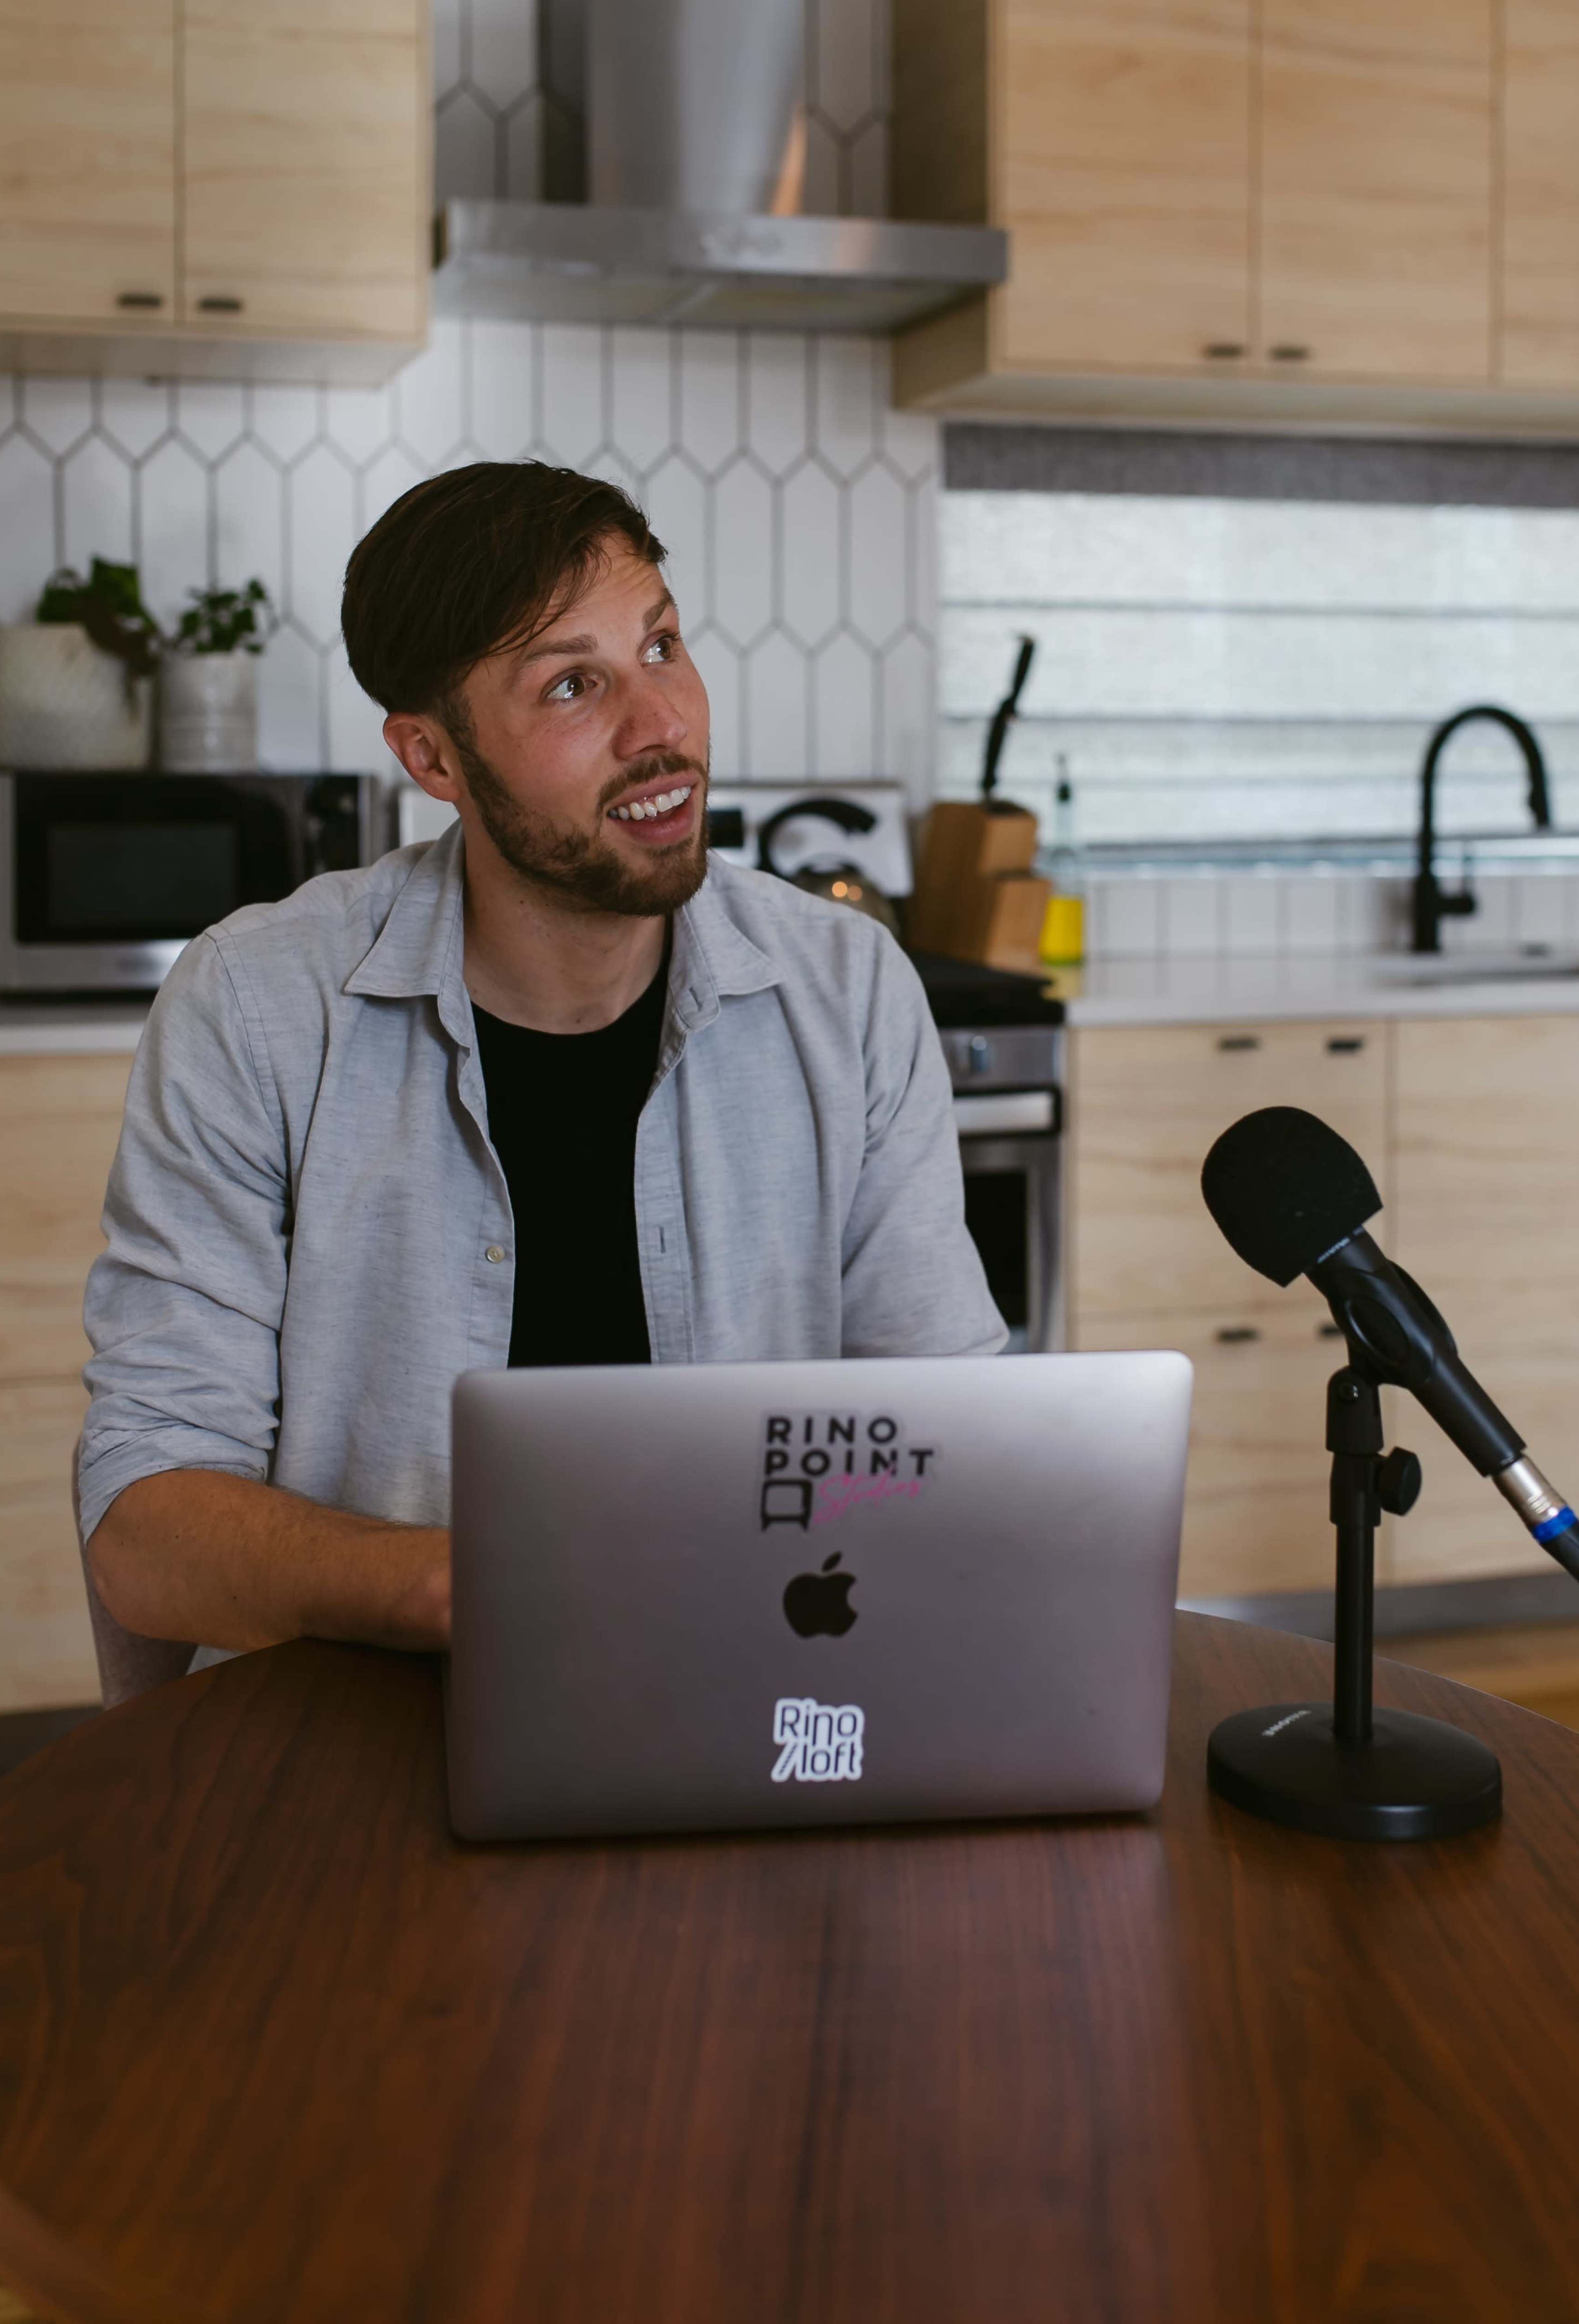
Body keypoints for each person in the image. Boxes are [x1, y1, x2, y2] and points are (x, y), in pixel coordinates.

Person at [80, 462, 1002, 1667]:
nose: (662, 726)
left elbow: (955, 1438)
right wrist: (479, 1589)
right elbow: (148, 1525)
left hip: (757, 1683)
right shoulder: (255, 1008)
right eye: (574, 684)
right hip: (358, 1731)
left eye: (661, 645)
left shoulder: (849, 987)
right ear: (435, 759)